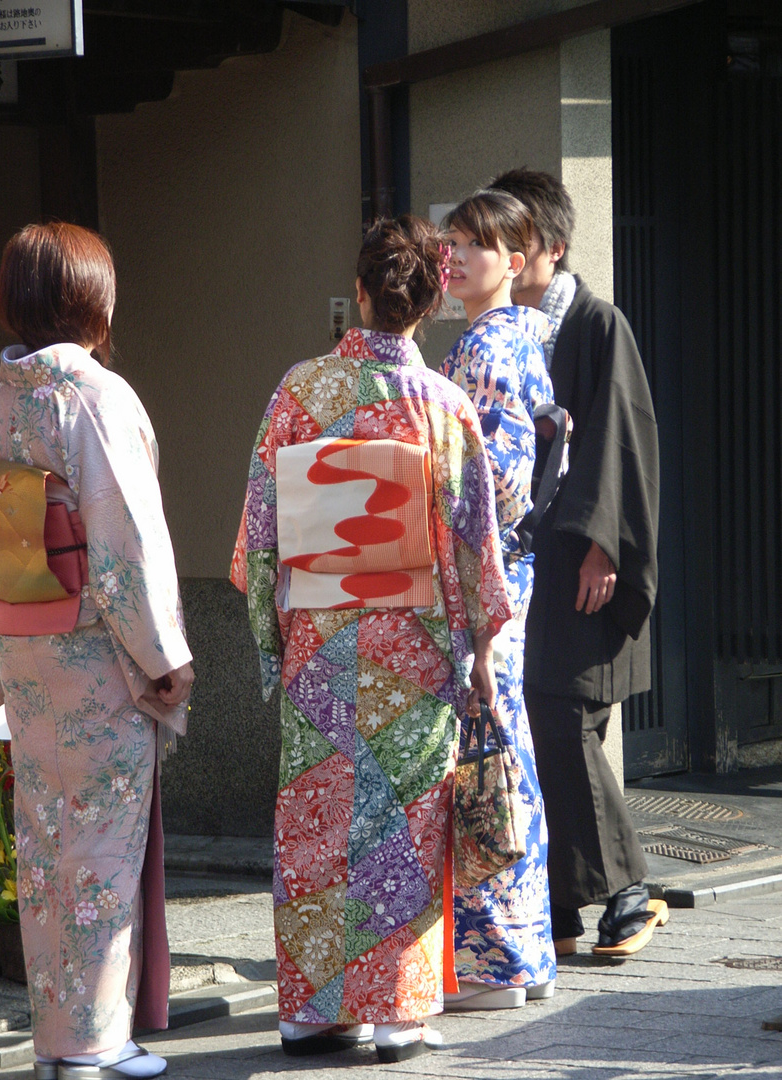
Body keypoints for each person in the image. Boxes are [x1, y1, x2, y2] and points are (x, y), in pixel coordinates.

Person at [230, 215, 514, 1062]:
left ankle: (309, 1012)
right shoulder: (443, 404)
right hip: (417, 652)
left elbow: (259, 531)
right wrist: (482, 655)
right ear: (427, 306)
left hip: (322, 642)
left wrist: (271, 640)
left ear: (360, 293)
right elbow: (474, 548)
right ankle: (394, 1013)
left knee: (318, 817)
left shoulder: (301, 391)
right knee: (400, 825)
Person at [0, 222, 194, 1080]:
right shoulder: (96, 396)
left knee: (45, 841)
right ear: (91, 300)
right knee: (102, 845)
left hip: (28, 652)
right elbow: (127, 541)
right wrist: (163, 656)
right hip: (100, 656)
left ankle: (60, 1040)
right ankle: (94, 1042)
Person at [489, 167, 666, 957]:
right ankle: (560, 905)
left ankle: (628, 891)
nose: (502, 252)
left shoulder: (596, 323)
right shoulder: (508, 329)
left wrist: (605, 545)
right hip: (528, 556)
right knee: (541, 720)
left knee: (563, 719)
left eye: (514, 240)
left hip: (582, 558)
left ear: (552, 249)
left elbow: (619, 441)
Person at [439, 189, 557, 1008]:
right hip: (506, 573)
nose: (452, 258)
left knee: (486, 755)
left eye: (471, 247)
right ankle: (525, 955)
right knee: (504, 749)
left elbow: (497, 482)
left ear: (514, 263)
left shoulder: (488, 345)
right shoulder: (512, 338)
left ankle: (495, 959)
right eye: (448, 243)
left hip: (486, 577)